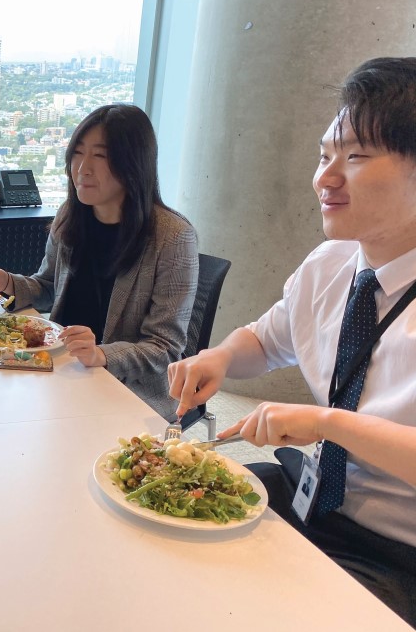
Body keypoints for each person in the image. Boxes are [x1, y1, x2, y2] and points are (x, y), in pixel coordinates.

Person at [167, 57, 416, 626]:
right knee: (169, 512)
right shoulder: (331, 264)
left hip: (397, 551)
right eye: (325, 156)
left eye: (356, 157)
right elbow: (266, 339)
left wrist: (329, 424)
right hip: (315, 498)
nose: (325, 179)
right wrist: (219, 357)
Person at [0, 104, 198, 420]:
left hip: (126, 389)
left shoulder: (172, 237)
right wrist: (8, 283)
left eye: (100, 156)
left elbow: (164, 347)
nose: (83, 168)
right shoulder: (71, 215)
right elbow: (48, 288)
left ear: (134, 163)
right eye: (77, 153)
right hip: (61, 368)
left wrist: (101, 354)